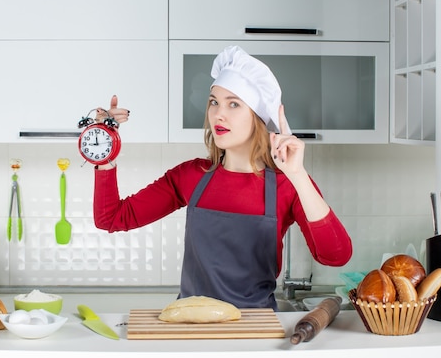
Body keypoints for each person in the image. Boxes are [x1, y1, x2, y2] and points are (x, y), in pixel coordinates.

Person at [93, 45, 352, 310]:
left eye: (234, 104)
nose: (219, 113)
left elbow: (336, 256)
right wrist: (104, 146)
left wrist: (298, 174)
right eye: (214, 101)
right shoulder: (191, 176)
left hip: (256, 330)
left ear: (258, 118)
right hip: (192, 326)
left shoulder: (289, 185)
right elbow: (111, 218)